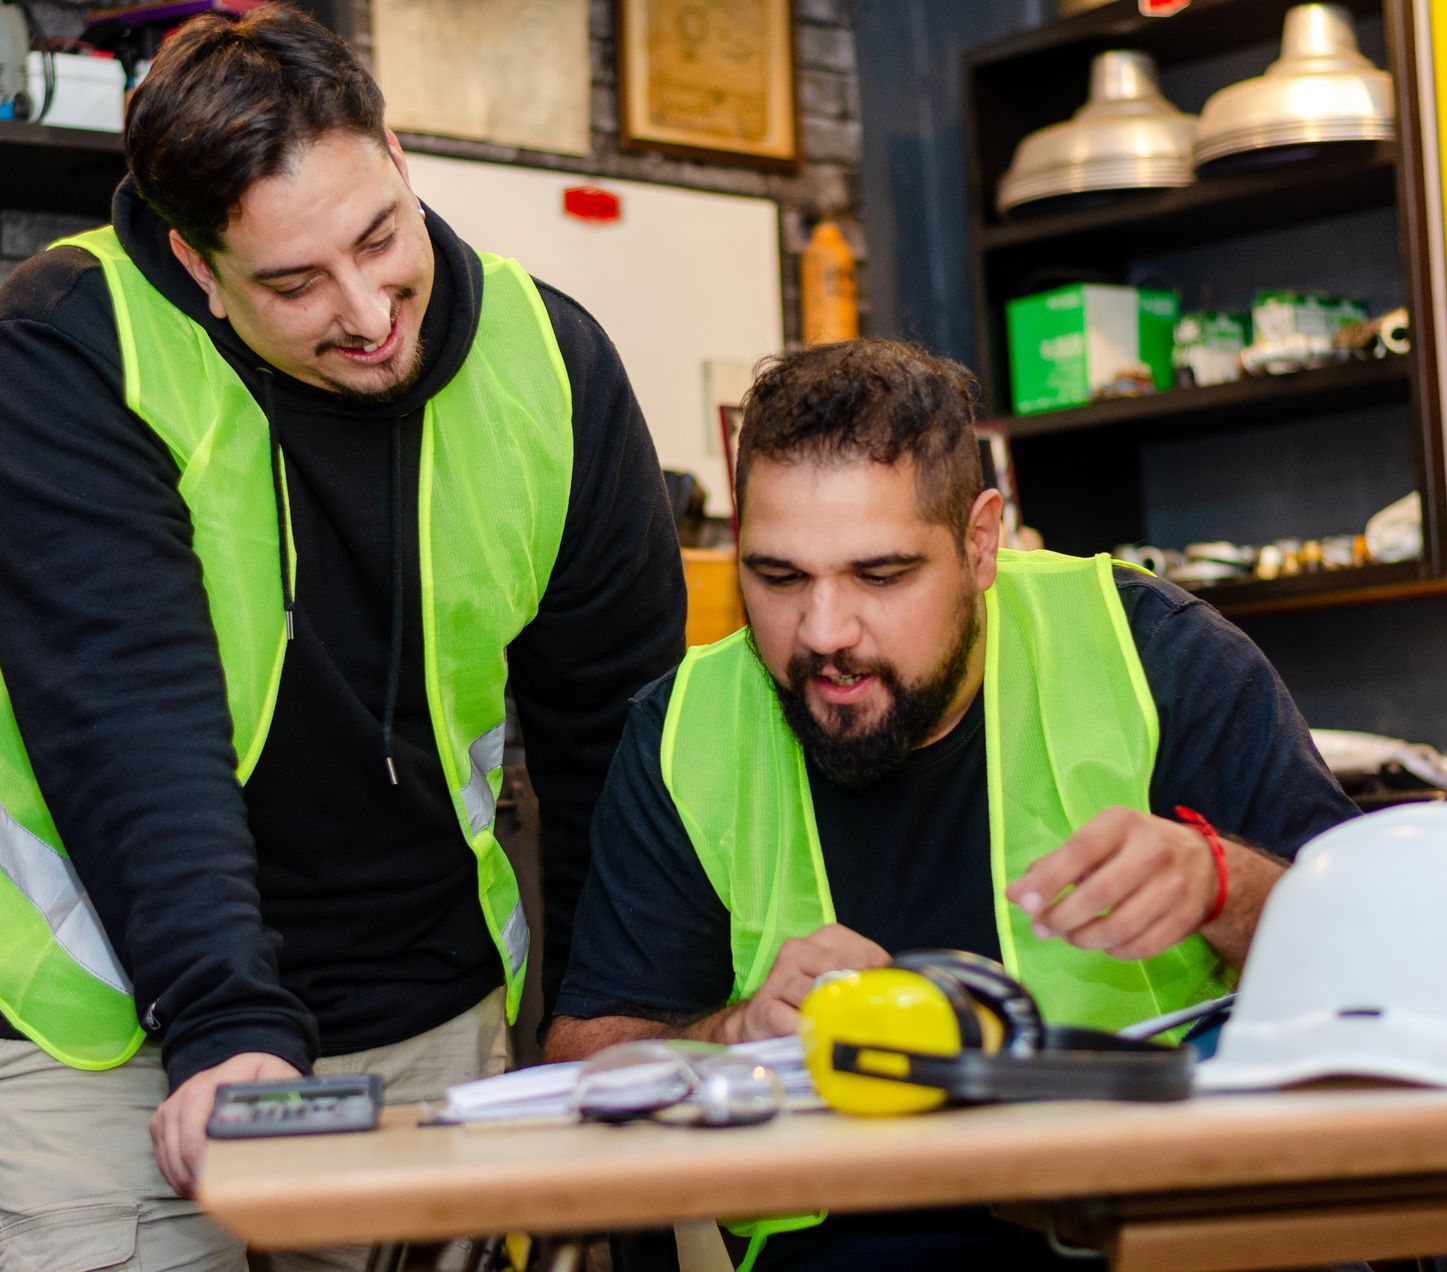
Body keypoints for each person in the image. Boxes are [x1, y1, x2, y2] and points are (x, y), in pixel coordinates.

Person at [0, 6, 685, 1265]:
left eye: (380, 236)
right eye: (293, 283)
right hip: (122, 1017)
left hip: (427, 1001)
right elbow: (133, 723)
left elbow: (620, 742)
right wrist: (228, 1027)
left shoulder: (553, 363)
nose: (368, 311)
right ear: (196, 265)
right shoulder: (73, 341)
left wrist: (609, 1028)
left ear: (396, 152)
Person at [545, 339, 1357, 1269]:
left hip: (1160, 1228)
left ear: (980, 542)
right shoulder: (687, 725)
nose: (823, 633)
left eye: (880, 576)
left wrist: (1224, 888)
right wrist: (731, 1035)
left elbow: (1374, 965)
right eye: (778, 577)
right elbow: (582, 1066)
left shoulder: (1155, 657)